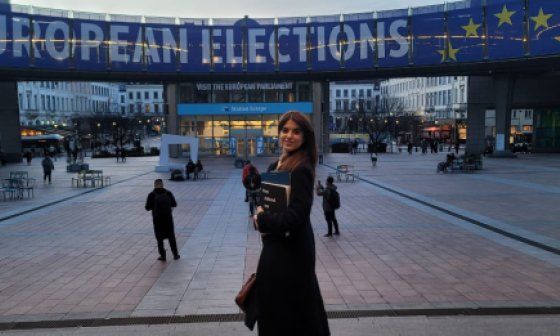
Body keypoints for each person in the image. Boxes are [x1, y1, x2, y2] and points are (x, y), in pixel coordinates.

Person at [252, 111, 330, 335]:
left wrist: (262, 219)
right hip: (279, 244)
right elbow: (268, 200)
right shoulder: (276, 165)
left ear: (305, 137)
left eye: (296, 131)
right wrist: (260, 210)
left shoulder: (301, 169)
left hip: (292, 250)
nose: (289, 135)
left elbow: (296, 217)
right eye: (285, 130)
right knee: (279, 307)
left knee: (290, 312)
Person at [145, 179, 180, 261]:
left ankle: (163, 256)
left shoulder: (151, 195)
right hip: (168, 218)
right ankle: (175, 254)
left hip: (157, 220)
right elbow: (174, 204)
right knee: (171, 237)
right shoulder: (168, 193)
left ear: (155, 185)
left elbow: (147, 208)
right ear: (162, 184)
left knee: (159, 238)